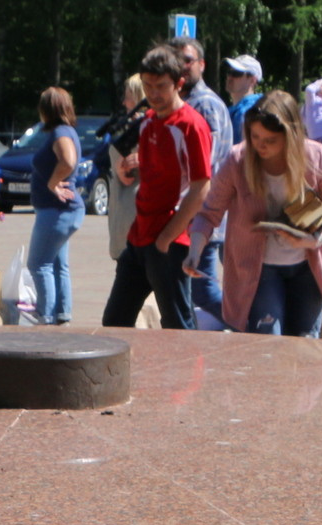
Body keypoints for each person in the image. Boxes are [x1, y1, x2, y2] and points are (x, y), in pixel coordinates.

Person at [189, 88, 322, 336]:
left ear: (290, 136)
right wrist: (194, 252)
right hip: (259, 270)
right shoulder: (238, 159)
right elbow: (208, 213)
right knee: (268, 343)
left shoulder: (314, 155)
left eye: (270, 141)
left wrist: (316, 238)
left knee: (305, 346)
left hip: (306, 267)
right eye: (255, 137)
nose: (260, 146)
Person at [99, 43, 211, 330]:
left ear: (179, 84)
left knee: (177, 325)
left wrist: (166, 238)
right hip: (138, 239)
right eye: (148, 85)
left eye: (161, 86)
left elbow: (201, 187)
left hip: (168, 242)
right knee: (114, 321)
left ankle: (191, 375)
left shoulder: (191, 125)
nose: (153, 94)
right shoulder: (147, 121)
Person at [174, 39, 234, 324]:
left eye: (188, 59)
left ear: (201, 64)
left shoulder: (205, 105)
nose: (183, 66)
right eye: (178, 60)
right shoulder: (187, 103)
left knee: (204, 290)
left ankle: (249, 329)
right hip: (192, 214)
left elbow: (203, 167)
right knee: (192, 288)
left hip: (203, 215)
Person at [19, 89, 82, 325]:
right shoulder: (68, 131)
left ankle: (44, 314)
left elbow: (68, 160)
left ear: (46, 109)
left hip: (56, 211)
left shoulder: (59, 132)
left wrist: (52, 182)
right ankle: (62, 314)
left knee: (38, 264)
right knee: (57, 263)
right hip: (64, 210)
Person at [101, 75, 144, 267]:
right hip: (124, 210)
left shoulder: (145, 127)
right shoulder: (128, 126)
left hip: (133, 211)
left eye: (129, 96)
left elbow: (125, 174)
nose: (125, 102)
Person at [223, 54, 262, 142]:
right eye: (229, 72)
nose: (230, 77)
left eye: (236, 73)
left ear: (252, 80)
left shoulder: (250, 110)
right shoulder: (231, 110)